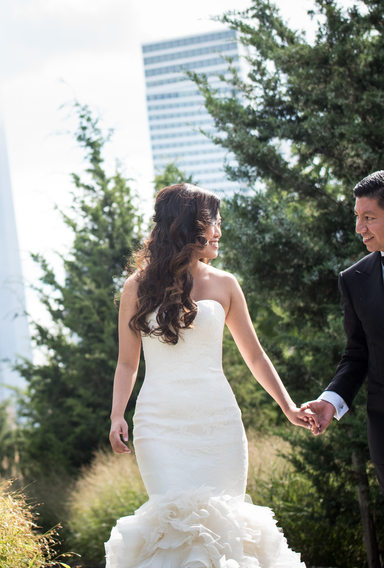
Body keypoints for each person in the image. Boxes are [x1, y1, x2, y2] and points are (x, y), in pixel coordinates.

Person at [105, 183, 312, 567]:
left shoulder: (226, 284)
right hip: (160, 426)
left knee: (225, 530)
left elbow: (254, 355)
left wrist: (287, 405)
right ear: (188, 227)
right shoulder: (136, 287)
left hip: (218, 425)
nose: (219, 230)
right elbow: (127, 362)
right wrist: (118, 414)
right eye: (213, 221)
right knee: (174, 531)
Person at [301, 170, 384, 490]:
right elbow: (358, 353)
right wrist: (331, 401)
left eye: (369, 217)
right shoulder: (354, 279)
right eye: (357, 217)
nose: (359, 228)